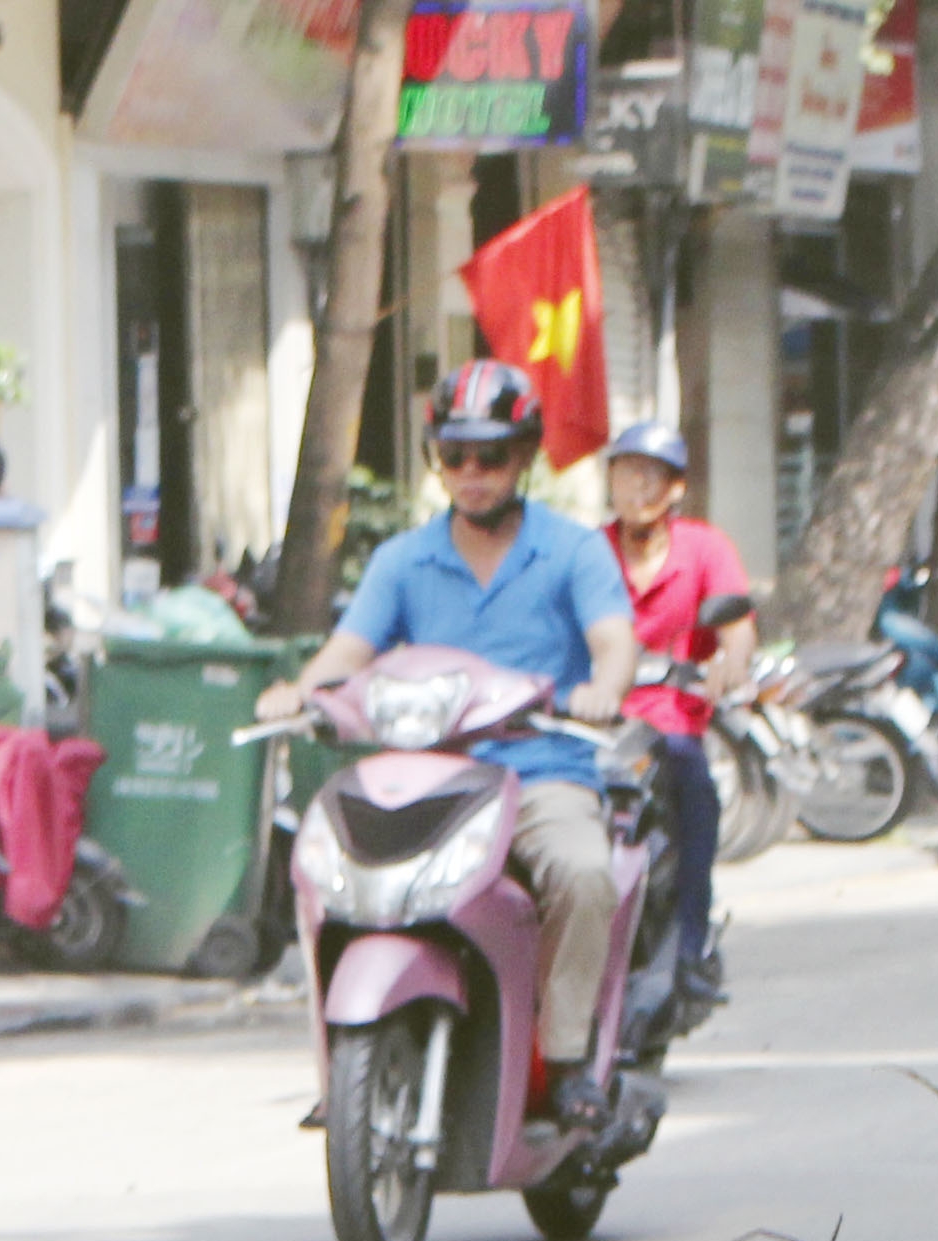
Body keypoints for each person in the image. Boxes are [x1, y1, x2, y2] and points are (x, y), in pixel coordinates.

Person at [258, 361, 642, 1129]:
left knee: (581, 870)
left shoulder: (573, 551)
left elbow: (614, 641)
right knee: (322, 868)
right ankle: (348, 1060)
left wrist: (605, 687)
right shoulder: (404, 559)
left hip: (539, 771)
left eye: (491, 455)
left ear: (524, 456)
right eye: (455, 456)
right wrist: (301, 691)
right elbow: (350, 650)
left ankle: (567, 1063)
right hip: (425, 780)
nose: (472, 474)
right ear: (437, 459)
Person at [599, 418, 752, 1006]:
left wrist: (729, 663)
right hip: (595, 724)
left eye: (651, 475)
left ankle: (690, 948)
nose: (637, 486)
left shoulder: (706, 548)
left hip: (669, 722)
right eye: (625, 472)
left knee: (696, 793)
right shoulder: (589, 553)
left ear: (675, 488)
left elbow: (736, 630)